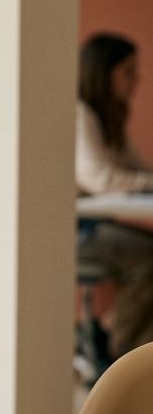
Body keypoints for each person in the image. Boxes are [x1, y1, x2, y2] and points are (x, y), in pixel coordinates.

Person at [77, 32, 153, 356]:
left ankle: (124, 349)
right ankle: (122, 360)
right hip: (76, 233)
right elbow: (98, 179)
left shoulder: (111, 118)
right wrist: (144, 183)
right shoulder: (80, 115)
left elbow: (138, 169)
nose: (136, 80)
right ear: (103, 73)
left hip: (96, 227)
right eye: (128, 71)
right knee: (149, 260)